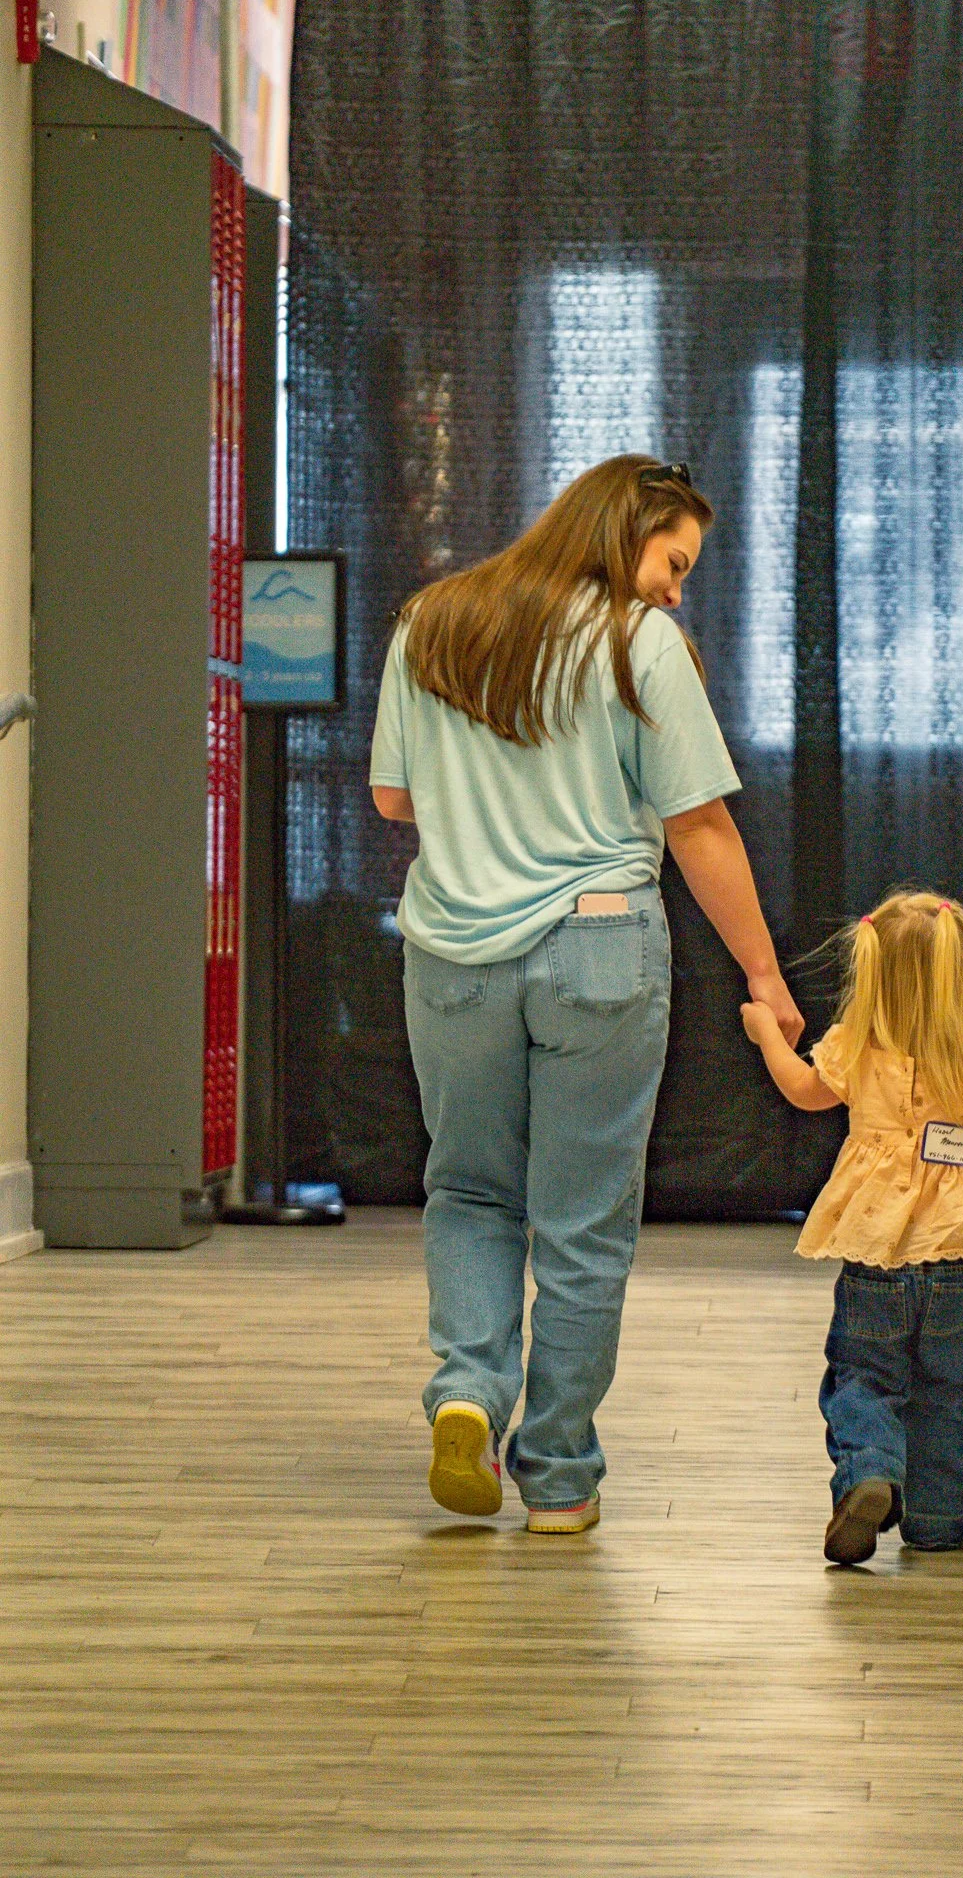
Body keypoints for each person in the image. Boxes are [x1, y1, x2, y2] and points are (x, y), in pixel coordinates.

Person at [370, 455, 802, 1534]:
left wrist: (486, 796)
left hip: (453, 953)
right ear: (626, 530)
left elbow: (390, 796)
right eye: (672, 559)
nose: (672, 587)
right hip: (600, 946)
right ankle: (558, 1475)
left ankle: (467, 1391)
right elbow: (699, 824)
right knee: (582, 1220)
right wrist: (760, 969)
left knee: (469, 1189)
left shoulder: (430, 622)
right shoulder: (638, 644)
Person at [740, 889, 963, 1565]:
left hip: (877, 1257)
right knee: (949, 1390)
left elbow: (799, 1088)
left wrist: (766, 1035)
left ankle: (870, 1470)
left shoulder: (854, 1052)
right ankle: (937, 1519)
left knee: (865, 1376)